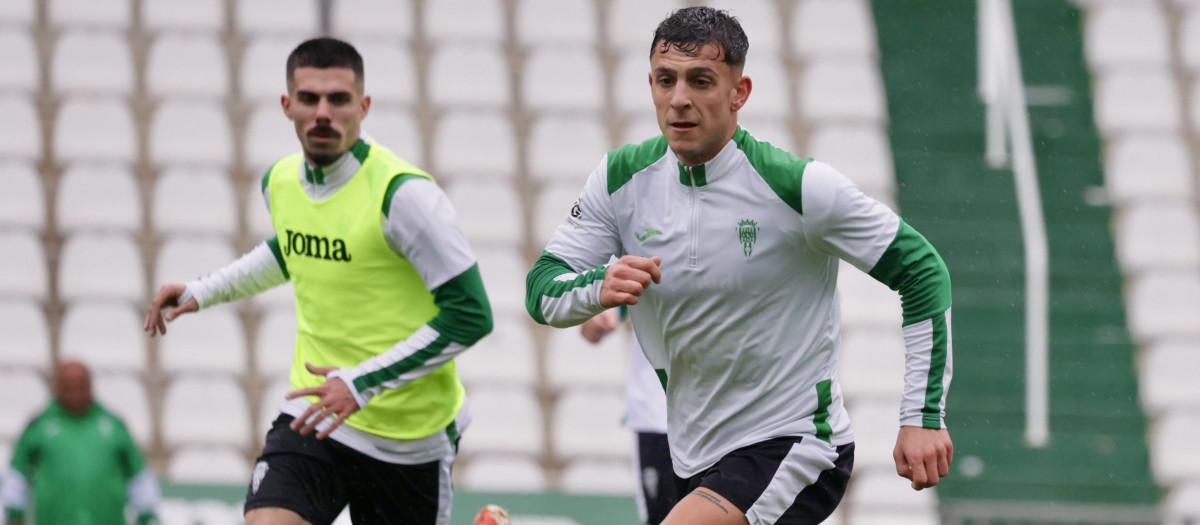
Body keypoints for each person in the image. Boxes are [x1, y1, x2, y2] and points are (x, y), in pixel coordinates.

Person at [525, 7, 954, 525]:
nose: (679, 98)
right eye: (666, 80)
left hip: (795, 443)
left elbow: (923, 270)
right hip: (691, 451)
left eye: (700, 80)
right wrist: (598, 287)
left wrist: (922, 416)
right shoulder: (620, 179)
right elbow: (542, 289)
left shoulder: (798, 187)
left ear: (739, 92)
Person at [143, 38, 494, 525]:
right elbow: (293, 249)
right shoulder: (280, 182)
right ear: (287, 105)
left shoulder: (406, 196)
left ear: (363, 107)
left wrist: (362, 383)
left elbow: (471, 314)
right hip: (317, 415)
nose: (323, 112)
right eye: (309, 99)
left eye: (339, 99)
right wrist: (203, 290)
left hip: (408, 437)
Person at [1, 361, 160, 525]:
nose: (74, 393)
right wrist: (14, 513)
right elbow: (17, 475)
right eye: (68, 387)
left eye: (80, 386)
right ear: (57, 388)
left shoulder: (113, 425)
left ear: (90, 386)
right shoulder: (39, 426)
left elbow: (138, 476)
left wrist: (147, 515)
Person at [579, 309, 676, 524]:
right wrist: (598, 314)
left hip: (731, 413)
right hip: (659, 414)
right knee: (663, 517)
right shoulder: (650, 273)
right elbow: (592, 324)